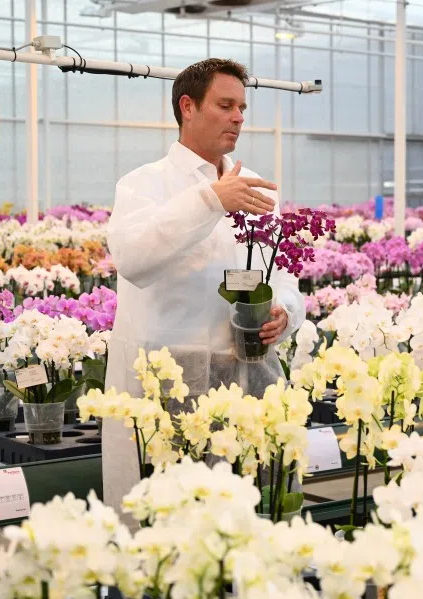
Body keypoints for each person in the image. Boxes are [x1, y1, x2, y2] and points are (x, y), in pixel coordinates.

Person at [101, 58, 305, 513]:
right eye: (226, 105)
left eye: (243, 108)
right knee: (174, 524)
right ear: (187, 106)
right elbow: (134, 259)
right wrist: (209, 200)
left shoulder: (256, 193)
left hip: (249, 378)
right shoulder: (144, 185)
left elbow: (282, 276)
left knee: (247, 516)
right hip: (172, 388)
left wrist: (284, 312)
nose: (238, 117)